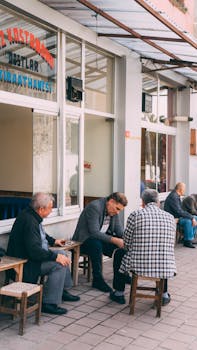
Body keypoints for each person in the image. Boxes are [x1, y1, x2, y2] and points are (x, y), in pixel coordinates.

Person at [7, 192, 80, 315]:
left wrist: (54, 241)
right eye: (50, 208)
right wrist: (55, 256)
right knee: (59, 264)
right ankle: (49, 303)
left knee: (63, 253)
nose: (51, 211)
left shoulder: (31, 215)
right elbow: (35, 251)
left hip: (33, 258)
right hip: (27, 264)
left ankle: (61, 290)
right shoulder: (30, 221)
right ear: (41, 209)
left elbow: (41, 235)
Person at [110, 189, 176, 305]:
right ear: (158, 202)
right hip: (165, 266)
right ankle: (164, 294)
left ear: (143, 202)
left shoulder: (135, 215)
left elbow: (126, 242)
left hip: (138, 266)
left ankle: (119, 293)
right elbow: (170, 244)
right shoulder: (170, 217)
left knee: (119, 253)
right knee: (163, 253)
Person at [72, 192, 128, 292]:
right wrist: (115, 240)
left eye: (120, 210)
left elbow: (119, 231)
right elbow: (94, 233)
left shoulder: (113, 211)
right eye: (117, 209)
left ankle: (123, 276)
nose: (118, 212)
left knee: (120, 249)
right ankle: (97, 280)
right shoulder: (95, 207)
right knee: (96, 244)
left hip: (100, 239)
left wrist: (127, 240)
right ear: (111, 202)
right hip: (84, 241)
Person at [164, 182, 197, 248]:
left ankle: (189, 237)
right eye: (184, 189)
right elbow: (178, 211)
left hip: (177, 215)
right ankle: (187, 241)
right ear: (180, 189)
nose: (184, 190)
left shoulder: (176, 195)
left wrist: (191, 217)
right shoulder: (173, 197)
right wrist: (191, 217)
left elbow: (180, 210)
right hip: (172, 217)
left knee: (195, 217)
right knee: (188, 221)